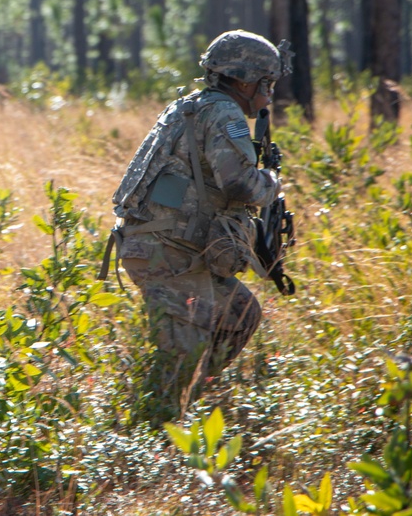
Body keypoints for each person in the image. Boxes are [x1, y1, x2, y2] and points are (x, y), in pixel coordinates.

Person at [100, 30, 291, 425]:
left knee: (240, 313)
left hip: (167, 246)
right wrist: (271, 184)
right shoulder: (224, 114)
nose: (268, 95)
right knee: (177, 366)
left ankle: (192, 400)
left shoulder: (189, 106)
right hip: (168, 253)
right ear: (243, 80)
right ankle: (154, 434)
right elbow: (239, 182)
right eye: (265, 84)